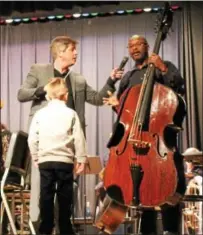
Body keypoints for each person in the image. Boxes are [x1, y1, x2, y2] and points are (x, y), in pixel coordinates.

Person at [17, 35, 123, 225]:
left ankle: (64, 227)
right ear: (60, 52)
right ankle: (40, 226)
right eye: (72, 50)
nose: (76, 53)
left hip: (68, 147)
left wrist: (111, 80)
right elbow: (22, 94)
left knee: (67, 192)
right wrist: (44, 89)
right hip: (45, 146)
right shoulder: (39, 70)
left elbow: (98, 98)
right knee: (43, 191)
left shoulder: (78, 79)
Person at [103, 35, 186, 235]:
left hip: (158, 141)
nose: (134, 49)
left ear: (147, 46)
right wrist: (117, 105)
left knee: (169, 186)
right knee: (127, 187)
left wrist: (162, 69)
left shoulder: (164, 66)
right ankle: (110, 229)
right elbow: (125, 113)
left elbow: (179, 88)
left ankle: (170, 231)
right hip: (132, 141)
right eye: (130, 46)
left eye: (138, 45)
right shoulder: (128, 77)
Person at [28, 77, 87, 235]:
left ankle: (46, 227)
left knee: (46, 194)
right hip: (64, 161)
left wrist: (35, 156)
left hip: (45, 161)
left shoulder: (40, 114)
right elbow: (79, 138)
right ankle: (65, 228)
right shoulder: (71, 113)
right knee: (64, 196)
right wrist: (81, 159)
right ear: (64, 95)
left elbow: (32, 138)